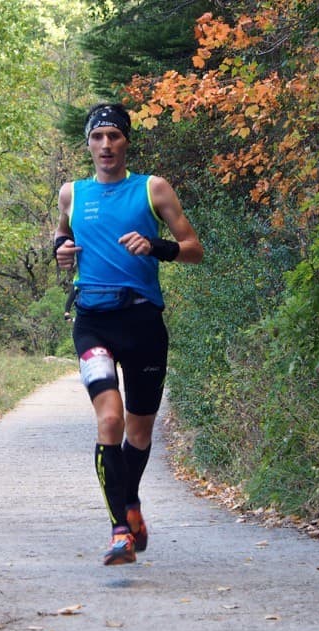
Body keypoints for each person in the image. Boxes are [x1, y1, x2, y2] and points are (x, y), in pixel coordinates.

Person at [54, 103, 203, 565]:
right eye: (97, 137)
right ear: (88, 144)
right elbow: (61, 236)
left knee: (139, 432)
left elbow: (194, 249)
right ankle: (119, 529)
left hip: (142, 323)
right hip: (93, 320)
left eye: (113, 137)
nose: (105, 145)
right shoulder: (71, 193)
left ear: (126, 142)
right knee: (110, 422)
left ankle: (131, 501)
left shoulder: (152, 188)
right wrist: (61, 249)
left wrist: (156, 246)